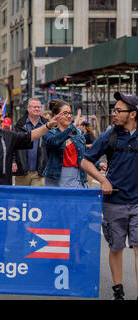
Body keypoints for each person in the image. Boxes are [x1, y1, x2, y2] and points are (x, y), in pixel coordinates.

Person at [81, 92, 138, 300]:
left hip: (137, 203)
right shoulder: (110, 135)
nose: (114, 114)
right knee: (116, 247)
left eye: (118, 111)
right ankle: (118, 290)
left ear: (132, 114)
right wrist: (103, 180)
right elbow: (86, 162)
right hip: (114, 203)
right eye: (114, 110)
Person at [42, 99, 88, 188]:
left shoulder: (78, 132)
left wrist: (99, 164)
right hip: (56, 179)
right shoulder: (49, 132)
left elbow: (84, 154)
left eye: (70, 113)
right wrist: (72, 127)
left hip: (77, 178)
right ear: (56, 116)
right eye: (65, 113)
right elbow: (54, 142)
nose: (69, 116)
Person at [13, 98, 48, 187]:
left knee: (36, 199)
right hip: (22, 171)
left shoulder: (46, 125)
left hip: (39, 172)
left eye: (39, 107)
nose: (37, 109)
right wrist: (13, 161)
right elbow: (13, 145)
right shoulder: (20, 125)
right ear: (28, 108)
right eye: (34, 107)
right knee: (21, 198)